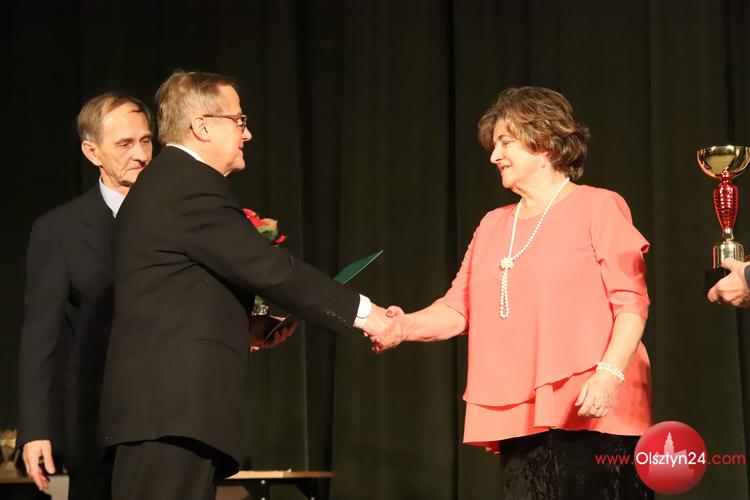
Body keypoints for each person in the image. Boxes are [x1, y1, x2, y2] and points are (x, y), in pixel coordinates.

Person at [99, 70, 391, 500]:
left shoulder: (170, 182)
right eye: (238, 120)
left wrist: (243, 327)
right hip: (169, 413)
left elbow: (175, 293)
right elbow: (269, 269)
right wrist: (369, 316)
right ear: (202, 126)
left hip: (165, 415)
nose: (247, 133)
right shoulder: (186, 184)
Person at [371, 87, 653, 498]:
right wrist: (402, 327)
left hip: (594, 405)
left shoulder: (599, 206)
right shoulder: (493, 224)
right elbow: (458, 308)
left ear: (544, 143)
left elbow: (631, 303)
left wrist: (608, 375)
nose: (494, 156)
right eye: (494, 145)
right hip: (520, 413)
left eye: (505, 142)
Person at [17, 93, 154, 499]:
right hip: (98, 430)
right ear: (92, 152)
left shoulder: (179, 218)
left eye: (146, 141)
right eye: (125, 144)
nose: (141, 154)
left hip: (171, 419)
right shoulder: (60, 230)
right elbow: (40, 337)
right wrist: (36, 429)